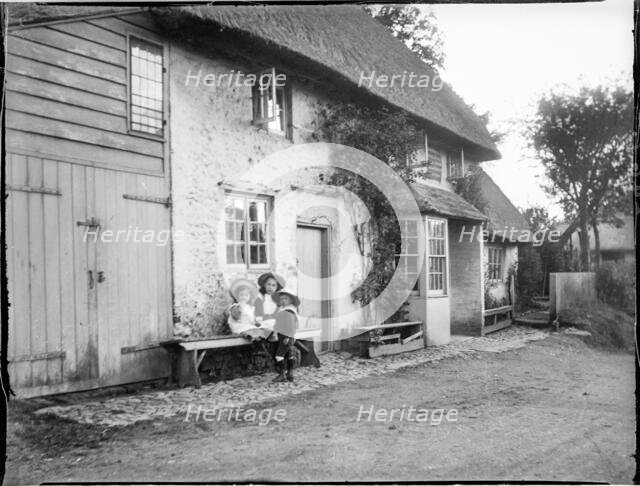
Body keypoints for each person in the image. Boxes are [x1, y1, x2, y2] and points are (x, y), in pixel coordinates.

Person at [271, 288, 300, 382]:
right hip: (285, 336)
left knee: (279, 356)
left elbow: (291, 326)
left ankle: (282, 374)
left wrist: (287, 337)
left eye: (285, 299)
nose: (283, 301)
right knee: (289, 354)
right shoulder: (285, 310)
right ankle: (290, 373)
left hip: (285, 336)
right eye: (281, 299)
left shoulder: (288, 311)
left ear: (291, 300)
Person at [254, 273, 285, 341]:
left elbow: (278, 313)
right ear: (264, 285)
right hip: (262, 320)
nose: (270, 287)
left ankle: (276, 335)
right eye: (269, 284)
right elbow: (258, 312)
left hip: (274, 321)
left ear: (277, 287)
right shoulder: (260, 298)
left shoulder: (278, 300)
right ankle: (272, 334)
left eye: (273, 285)